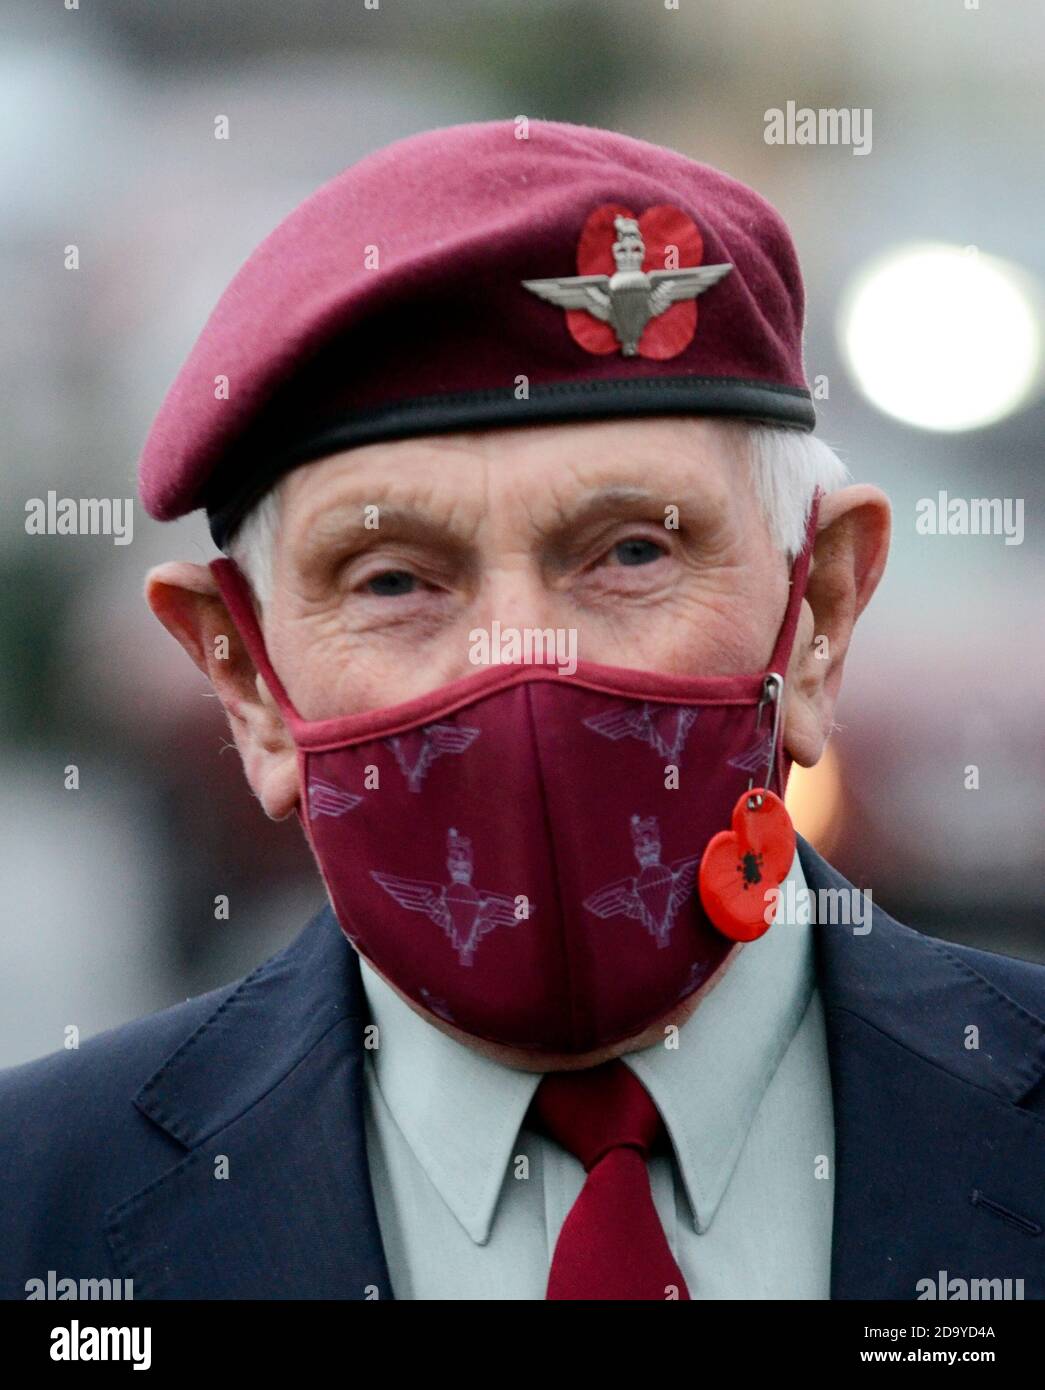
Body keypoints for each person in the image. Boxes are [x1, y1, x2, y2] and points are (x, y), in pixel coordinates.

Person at [2, 120, 1042, 1302]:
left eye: (634, 551)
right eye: (392, 580)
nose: (523, 661)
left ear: (820, 616)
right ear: (246, 681)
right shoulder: (35, 1212)